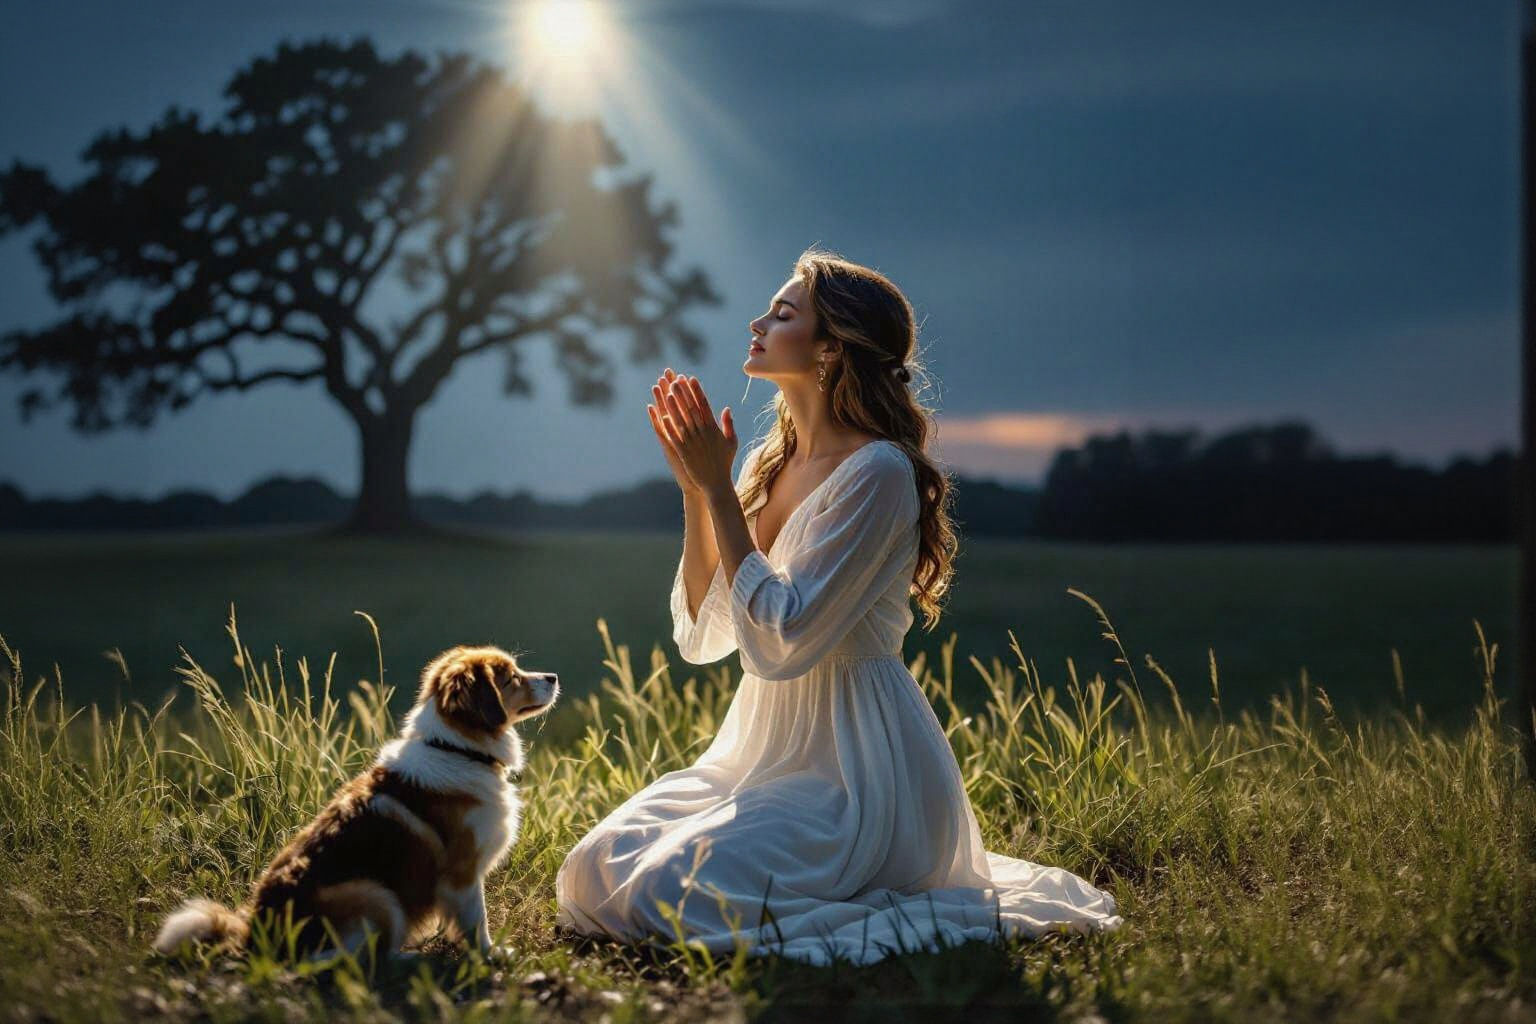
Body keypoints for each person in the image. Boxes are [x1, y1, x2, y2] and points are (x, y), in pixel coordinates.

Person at [554, 247, 1123, 966]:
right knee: (589, 870)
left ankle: (863, 877)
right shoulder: (772, 462)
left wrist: (719, 493)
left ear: (830, 350)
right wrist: (702, 492)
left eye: (784, 313)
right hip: (758, 752)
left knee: (669, 893)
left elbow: (784, 639)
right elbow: (706, 637)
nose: (758, 322)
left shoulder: (880, 472)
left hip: (854, 772)